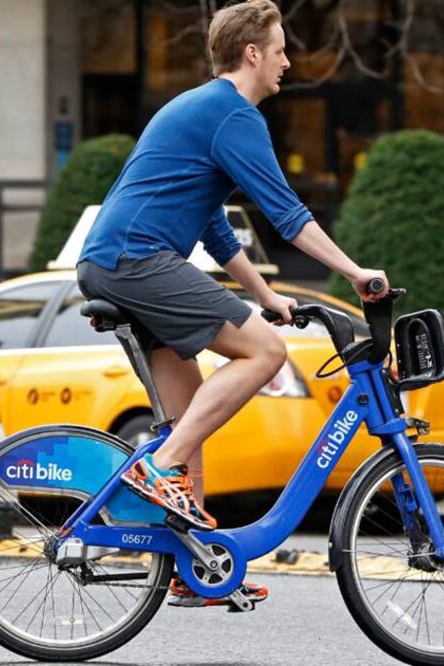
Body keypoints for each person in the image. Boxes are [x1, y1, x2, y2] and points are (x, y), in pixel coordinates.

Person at [76, 0, 387, 606]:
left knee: (188, 423)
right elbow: (288, 214)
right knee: (265, 354)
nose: (287, 62)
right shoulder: (233, 114)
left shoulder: (202, 109)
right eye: (280, 50)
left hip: (118, 262)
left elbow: (214, 226)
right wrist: (353, 271)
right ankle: (156, 468)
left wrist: (265, 293)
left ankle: (189, 572)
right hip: (136, 260)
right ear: (252, 53)